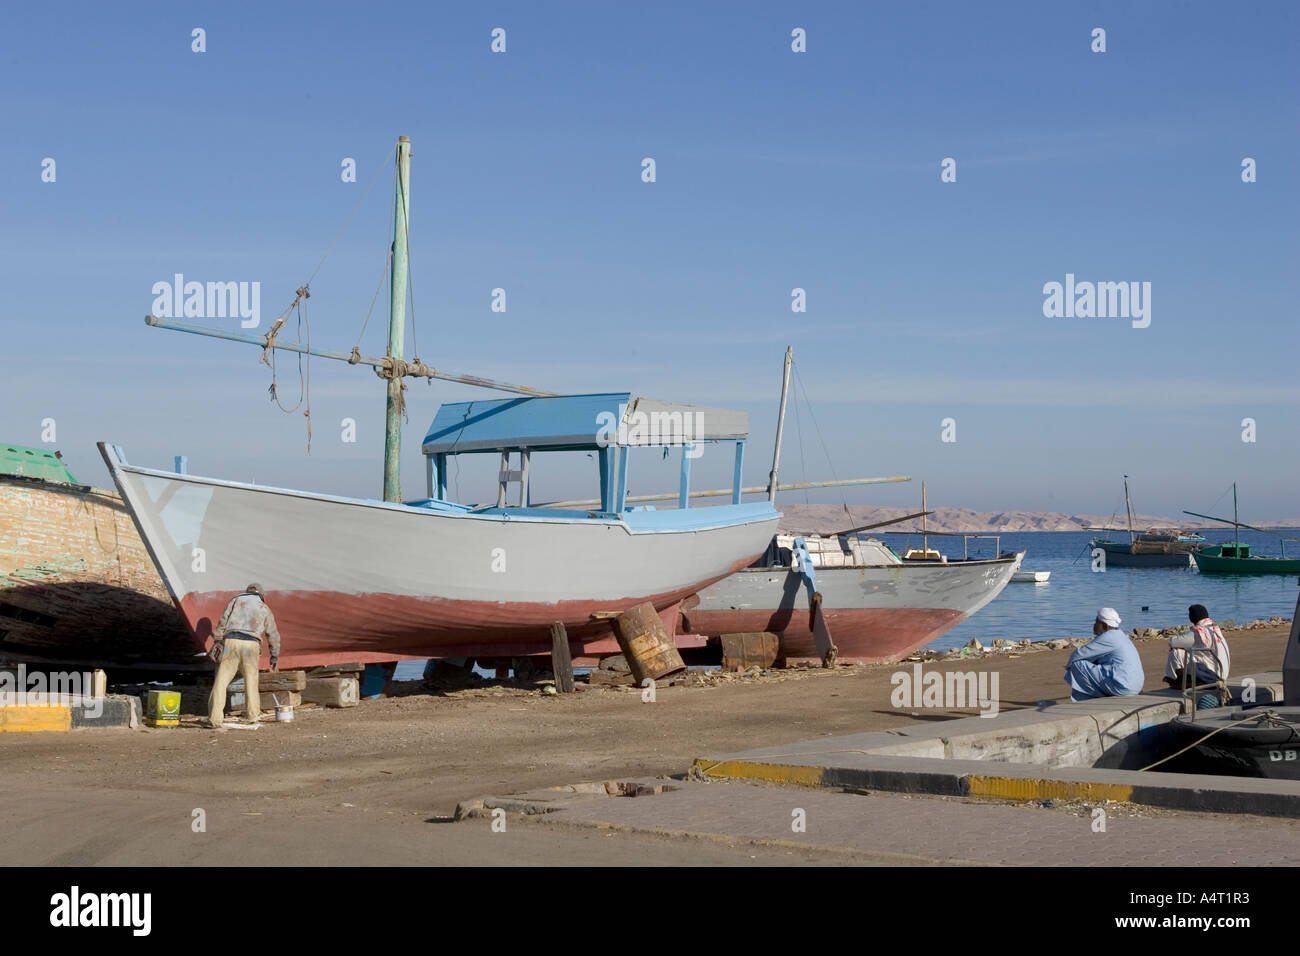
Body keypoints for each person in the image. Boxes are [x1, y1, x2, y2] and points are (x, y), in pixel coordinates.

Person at [203, 584, 281, 728]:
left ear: (247, 592)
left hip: (230, 644)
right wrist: (274, 656)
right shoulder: (264, 608)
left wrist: (218, 641)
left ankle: (215, 719)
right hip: (251, 646)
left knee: (221, 680)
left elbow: (222, 621)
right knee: (251, 681)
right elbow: (273, 634)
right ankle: (252, 716)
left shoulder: (236, 601)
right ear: (262, 596)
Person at [1065, 607, 1145, 701]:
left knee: (1077, 665)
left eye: (1096, 623)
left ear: (1105, 626)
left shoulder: (1109, 637)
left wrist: (1068, 667)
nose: (1094, 625)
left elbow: (1079, 654)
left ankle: (1087, 699)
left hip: (1123, 687)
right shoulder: (1121, 635)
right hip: (1136, 686)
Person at [1163, 604, 1231, 709]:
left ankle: (1175, 680)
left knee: (1176, 652)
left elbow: (1173, 642)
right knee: (1188, 651)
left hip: (1212, 674)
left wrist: (1181, 640)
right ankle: (1181, 679)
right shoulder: (1214, 628)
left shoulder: (1198, 631)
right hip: (1222, 672)